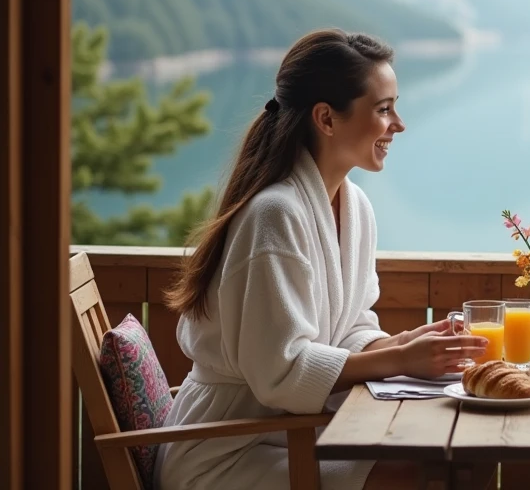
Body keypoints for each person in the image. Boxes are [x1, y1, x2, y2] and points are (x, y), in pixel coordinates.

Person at [155, 30, 487, 490]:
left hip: (283, 433)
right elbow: (282, 372)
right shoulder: (275, 215)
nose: (399, 124)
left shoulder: (354, 207)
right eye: (384, 109)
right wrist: (400, 360)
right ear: (327, 119)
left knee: (438, 460)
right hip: (226, 450)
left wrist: (403, 344)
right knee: (412, 472)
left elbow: (349, 327)